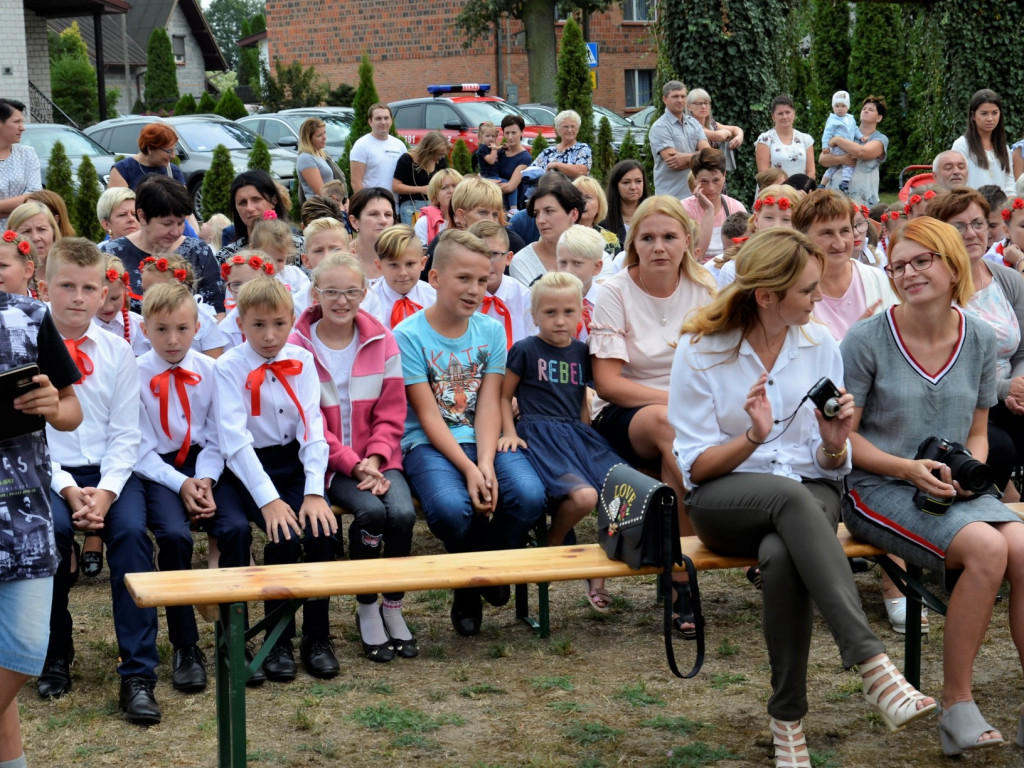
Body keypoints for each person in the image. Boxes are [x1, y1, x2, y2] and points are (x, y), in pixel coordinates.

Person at [670, 227, 936, 767]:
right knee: (788, 504)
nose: (821, 300)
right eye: (809, 291)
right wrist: (752, 436)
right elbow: (694, 467)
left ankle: (787, 720)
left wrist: (837, 446)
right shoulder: (701, 350)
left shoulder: (819, 345)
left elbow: (826, 461)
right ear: (768, 295)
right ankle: (873, 665)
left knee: (782, 554)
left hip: (810, 491)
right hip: (724, 499)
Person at [840, 216, 1023, 756]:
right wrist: (907, 470)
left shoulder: (980, 338)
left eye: (922, 260)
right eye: (898, 265)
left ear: (951, 264)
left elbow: (978, 433)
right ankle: (956, 705)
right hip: (877, 486)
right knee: (989, 547)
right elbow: (843, 442)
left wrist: (974, 475)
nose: (909, 273)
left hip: (954, 487)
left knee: (1023, 546)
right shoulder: (866, 338)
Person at [35, 238, 163, 724]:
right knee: (53, 535)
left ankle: (137, 673)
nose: (77, 297)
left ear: (104, 292)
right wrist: (68, 490)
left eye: (89, 288)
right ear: (44, 286)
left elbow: (127, 432)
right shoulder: (30, 348)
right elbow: (34, 439)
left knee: (131, 537)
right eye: (66, 285)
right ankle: (54, 652)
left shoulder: (117, 352)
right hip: (50, 475)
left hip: (113, 474)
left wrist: (105, 495)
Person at [394, 229, 546, 637]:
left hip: (484, 436)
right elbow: (427, 416)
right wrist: (468, 468)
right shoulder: (408, 336)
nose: (475, 289)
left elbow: (491, 401)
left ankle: (481, 574)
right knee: (448, 510)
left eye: (482, 280)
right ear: (436, 277)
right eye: (464, 278)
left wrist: (484, 463)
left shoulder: (491, 331)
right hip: (430, 443)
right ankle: (475, 578)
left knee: (530, 496)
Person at [289, 251, 418, 662]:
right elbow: (307, 419)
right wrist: (352, 462)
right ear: (315, 293)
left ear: (364, 292)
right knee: (372, 514)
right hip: (329, 463)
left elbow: (393, 409)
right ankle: (366, 607)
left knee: (401, 513)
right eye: (331, 292)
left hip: (380, 459)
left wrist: (377, 459)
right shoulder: (298, 345)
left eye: (350, 292)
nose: (341, 301)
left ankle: (392, 605)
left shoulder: (382, 338)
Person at [210, 277, 340, 680]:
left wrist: (315, 491)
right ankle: (276, 640)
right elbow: (234, 442)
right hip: (248, 467)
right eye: (259, 325)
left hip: (294, 462)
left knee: (322, 533)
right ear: (241, 324)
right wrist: (269, 500)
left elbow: (312, 429)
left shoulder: (301, 358)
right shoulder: (228, 367)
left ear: (292, 320)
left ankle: (317, 636)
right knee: (282, 534)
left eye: (280, 324)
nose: (270, 336)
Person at [0, 228, 81, 768]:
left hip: (25, 511)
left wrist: (52, 405)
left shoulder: (30, 319)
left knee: (25, 652)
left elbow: (72, 409)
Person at [589, 196, 717, 537]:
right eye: (648, 238)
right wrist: (678, 402)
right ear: (634, 243)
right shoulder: (614, 292)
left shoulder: (704, 288)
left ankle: (679, 571)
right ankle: (718, 510)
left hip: (692, 410)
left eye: (669, 237)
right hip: (626, 412)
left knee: (676, 445)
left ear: (687, 241)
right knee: (667, 423)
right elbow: (607, 384)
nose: (659, 247)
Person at [499, 271, 624, 612]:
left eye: (568, 312)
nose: (559, 320)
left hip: (577, 433)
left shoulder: (582, 352)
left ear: (581, 313)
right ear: (534, 315)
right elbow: (503, 396)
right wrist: (509, 432)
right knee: (584, 496)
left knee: (622, 486)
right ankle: (553, 544)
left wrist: (588, 434)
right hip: (540, 434)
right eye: (550, 313)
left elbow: (581, 398)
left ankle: (597, 574)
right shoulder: (525, 349)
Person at [135, 282, 224, 694]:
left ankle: (233, 636)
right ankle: (186, 645)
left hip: (205, 466)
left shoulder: (210, 370)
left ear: (197, 327)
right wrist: (181, 482)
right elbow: (138, 449)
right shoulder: (134, 375)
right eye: (161, 330)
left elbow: (217, 437)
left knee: (237, 529)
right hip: (159, 470)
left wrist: (203, 480)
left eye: (183, 329)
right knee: (173, 536)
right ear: (144, 330)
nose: (173, 340)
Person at [926, 188, 1024, 502]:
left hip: (1009, 395)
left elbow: (1022, 350)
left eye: (978, 224)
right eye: (959, 226)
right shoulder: (933, 288)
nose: (971, 233)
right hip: (959, 402)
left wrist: (1019, 385)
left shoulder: (1008, 280)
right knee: (1000, 448)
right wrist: (1003, 389)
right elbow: (945, 366)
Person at [100, 176, 223, 314]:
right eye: (167, 224)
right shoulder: (113, 253)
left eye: (181, 222)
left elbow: (216, 310)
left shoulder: (198, 252)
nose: (175, 231)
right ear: (142, 216)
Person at [793, 190, 897, 342]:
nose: (840, 243)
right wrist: (852, 341)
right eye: (827, 233)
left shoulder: (875, 278)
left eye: (845, 231)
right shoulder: (791, 290)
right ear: (802, 237)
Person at [139, 254, 228, 357]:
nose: (147, 296)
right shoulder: (148, 319)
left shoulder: (204, 319)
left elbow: (213, 360)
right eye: (144, 290)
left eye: (157, 290)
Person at [509, 175, 585, 286]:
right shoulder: (522, 261)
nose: (540, 220)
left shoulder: (596, 255)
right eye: (536, 214)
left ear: (573, 214)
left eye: (549, 211)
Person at [469, 220, 534, 348]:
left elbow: (534, 345)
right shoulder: (460, 297)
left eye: (494, 254)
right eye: (479, 254)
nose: (487, 263)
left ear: (508, 258)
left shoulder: (525, 297)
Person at [217, 170, 302, 264]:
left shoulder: (302, 248)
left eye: (256, 199)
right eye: (242, 202)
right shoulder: (227, 257)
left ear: (274, 200)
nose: (249, 208)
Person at [681, 147, 747, 263]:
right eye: (704, 181)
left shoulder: (736, 208)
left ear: (724, 176)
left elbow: (744, 250)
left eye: (716, 180)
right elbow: (697, 256)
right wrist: (709, 211)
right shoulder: (684, 209)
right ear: (695, 180)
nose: (711, 188)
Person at [368, 223, 436, 329]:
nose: (403, 273)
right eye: (394, 265)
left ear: (422, 263)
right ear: (379, 266)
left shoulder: (434, 298)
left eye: (410, 264)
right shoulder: (369, 303)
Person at [649, 81, 711, 198]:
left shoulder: (694, 123)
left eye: (683, 96)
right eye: (675, 96)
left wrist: (687, 158)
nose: (680, 100)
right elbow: (675, 163)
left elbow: (709, 155)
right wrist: (700, 158)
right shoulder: (660, 127)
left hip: (695, 196)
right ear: (665, 99)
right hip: (670, 198)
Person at [951, 89, 1015, 196]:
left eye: (994, 113)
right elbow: (959, 185)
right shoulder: (962, 145)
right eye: (984, 113)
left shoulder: (1003, 148)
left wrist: (1008, 205)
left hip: (1001, 209)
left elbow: (1009, 183)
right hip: (972, 206)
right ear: (973, 115)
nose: (990, 119)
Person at [555, 224, 604, 343]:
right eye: (563, 263)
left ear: (597, 267)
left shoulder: (607, 300)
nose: (568, 270)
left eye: (577, 263)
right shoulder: (549, 302)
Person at [0, 99, 41, 230]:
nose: (23, 128)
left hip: (22, 232)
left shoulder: (27, 154)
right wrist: (17, 205)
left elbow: (34, 196)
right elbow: (26, 200)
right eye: (17, 122)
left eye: (22, 122)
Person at [107, 123, 187, 190]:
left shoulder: (173, 172)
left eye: (174, 150)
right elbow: (120, 206)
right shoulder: (123, 170)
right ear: (150, 148)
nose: (173, 156)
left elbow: (184, 206)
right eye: (169, 151)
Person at [392, 131, 449, 225]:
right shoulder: (407, 160)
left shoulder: (441, 161)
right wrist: (420, 189)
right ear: (429, 151)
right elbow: (396, 186)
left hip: (434, 206)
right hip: (411, 209)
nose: (442, 157)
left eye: (443, 154)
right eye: (439, 154)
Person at [349, 103, 406, 194]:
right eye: (378, 118)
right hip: (372, 204)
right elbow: (356, 183)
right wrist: (366, 203)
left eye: (386, 118)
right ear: (370, 122)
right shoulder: (361, 145)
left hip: (396, 205)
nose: (383, 122)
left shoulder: (399, 145)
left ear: (391, 121)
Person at [756, 95, 816, 180]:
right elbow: (764, 174)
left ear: (794, 113)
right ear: (773, 117)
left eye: (788, 112)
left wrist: (802, 189)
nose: (784, 117)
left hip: (801, 191)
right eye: (780, 114)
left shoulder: (806, 140)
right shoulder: (765, 140)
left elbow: (811, 172)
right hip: (773, 191)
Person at [686, 88, 743, 172]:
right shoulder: (690, 126)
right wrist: (727, 132)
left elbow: (735, 129)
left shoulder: (712, 124)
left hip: (718, 173)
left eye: (706, 103)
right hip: (700, 175)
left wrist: (739, 136)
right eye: (699, 103)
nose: (703, 107)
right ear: (689, 107)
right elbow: (718, 136)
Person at [348, 187, 398, 281]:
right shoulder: (340, 259)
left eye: (388, 215)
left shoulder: (403, 257)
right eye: (374, 214)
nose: (383, 221)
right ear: (354, 221)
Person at [528, 110, 592, 181]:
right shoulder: (548, 152)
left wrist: (557, 165)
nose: (570, 130)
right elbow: (531, 171)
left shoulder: (582, 149)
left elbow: (581, 171)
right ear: (558, 130)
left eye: (573, 126)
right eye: (566, 127)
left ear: (577, 129)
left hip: (572, 191)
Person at [601, 159, 649, 248]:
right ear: (616, 186)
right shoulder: (603, 221)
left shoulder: (654, 215)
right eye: (626, 182)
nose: (633, 187)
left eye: (638, 181)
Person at [819, 91, 859, 193]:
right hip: (837, 148)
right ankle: (825, 184)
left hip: (847, 146)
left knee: (843, 165)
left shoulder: (851, 118)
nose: (840, 108)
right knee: (839, 166)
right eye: (837, 106)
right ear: (833, 107)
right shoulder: (832, 120)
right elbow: (827, 134)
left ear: (848, 107)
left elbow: (855, 129)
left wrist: (861, 136)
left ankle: (840, 183)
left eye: (843, 106)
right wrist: (825, 146)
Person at [296, 117, 345, 201]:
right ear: (308, 139)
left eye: (324, 133)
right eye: (319, 135)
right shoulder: (306, 158)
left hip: (331, 204)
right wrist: (339, 204)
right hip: (320, 208)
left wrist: (344, 200)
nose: (324, 137)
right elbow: (321, 192)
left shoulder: (321, 154)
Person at [572, 175, 619, 258]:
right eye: (578, 196)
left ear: (600, 204)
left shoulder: (611, 240)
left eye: (588, 197)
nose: (582, 201)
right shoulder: (559, 234)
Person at [414, 168, 462, 247]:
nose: (451, 191)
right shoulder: (424, 222)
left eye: (454, 186)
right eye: (444, 187)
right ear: (435, 197)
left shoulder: (470, 218)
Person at [9, 202, 58, 274]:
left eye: (42, 229)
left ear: (53, 231)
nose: (35, 238)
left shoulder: (70, 269)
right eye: (26, 231)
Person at [497, 115, 534, 211]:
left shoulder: (525, 158)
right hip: (495, 203)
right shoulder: (500, 152)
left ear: (521, 132)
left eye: (514, 133)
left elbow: (510, 187)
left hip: (513, 209)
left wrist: (486, 187)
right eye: (507, 133)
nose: (510, 137)